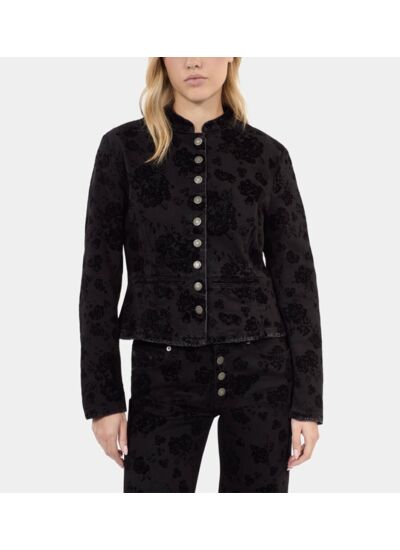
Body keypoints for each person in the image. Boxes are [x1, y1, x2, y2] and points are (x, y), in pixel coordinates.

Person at [79, 57, 323, 492]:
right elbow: (99, 278)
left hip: (261, 373)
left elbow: (297, 280)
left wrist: (307, 402)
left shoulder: (267, 155)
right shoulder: (124, 149)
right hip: (162, 374)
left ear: (231, 55)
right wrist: (104, 400)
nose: (194, 60)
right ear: (161, 58)